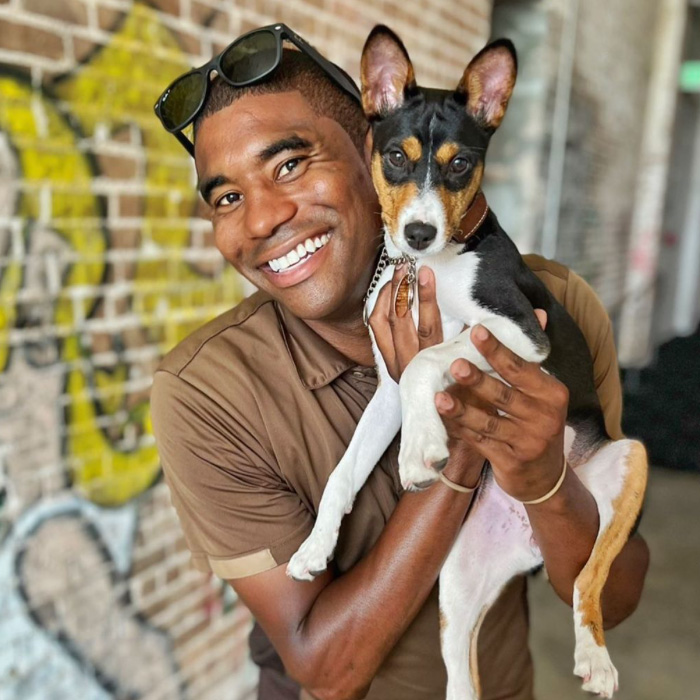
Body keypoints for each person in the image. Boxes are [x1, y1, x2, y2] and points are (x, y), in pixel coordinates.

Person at [150, 24, 649, 700]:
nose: (262, 218)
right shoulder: (204, 392)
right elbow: (328, 670)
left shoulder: (556, 305)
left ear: (366, 151)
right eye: (228, 198)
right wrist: (465, 430)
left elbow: (612, 598)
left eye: (291, 164)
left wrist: (545, 478)